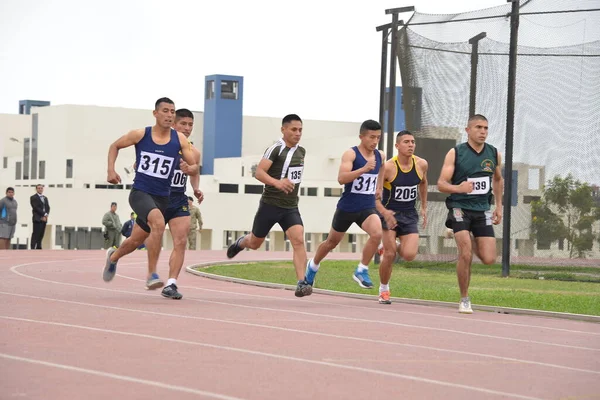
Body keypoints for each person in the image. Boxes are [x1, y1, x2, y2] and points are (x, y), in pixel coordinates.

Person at [103, 97, 196, 290]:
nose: (169, 115)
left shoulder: (179, 140)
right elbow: (115, 146)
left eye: (172, 111)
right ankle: (152, 274)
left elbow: (195, 165)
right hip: (141, 193)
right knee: (159, 223)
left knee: (135, 240)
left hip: (164, 197)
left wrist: (190, 167)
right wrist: (111, 170)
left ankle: (113, 257)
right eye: (165, 111)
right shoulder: (140, 134)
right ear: (155, 113)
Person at [226, 114, 312, 298]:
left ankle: (301, 282)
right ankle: (242, 242)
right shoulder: (275, 149)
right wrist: (277, 183)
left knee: (298, 240)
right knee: (255, 243)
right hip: (270, 205)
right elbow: (259, 173)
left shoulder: (301, 151)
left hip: (290, 206)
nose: (298, 133)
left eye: (300, 130)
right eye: (294, 129)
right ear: (283, 129)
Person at [305, 120, 385, 290]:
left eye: (377, 137)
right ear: (361, 137)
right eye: (371, 137)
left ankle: (361, 269)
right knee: (331, 242)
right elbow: (342, 178)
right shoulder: (351, 154)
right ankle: (313, 265)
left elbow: (382, 167)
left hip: (367, 207)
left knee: (377, 233)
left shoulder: (380, 155)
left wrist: (379, 186)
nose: (375, 141)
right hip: (347, 207)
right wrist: (363, 169)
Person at [438, 114, 504, 314]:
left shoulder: (494, 153)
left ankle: (462, 234)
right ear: (468, 130)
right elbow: (441, 183)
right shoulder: (455, 153)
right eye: (478, 127)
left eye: (485, 128)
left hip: (482, 209)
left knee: (489, 258)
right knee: (465, 253)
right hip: (460, 207)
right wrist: (460, 188)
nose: (483, 131)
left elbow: (498, 180)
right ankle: (464, 298)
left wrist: (499, 206)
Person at [375, 130, 428, 304]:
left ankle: (393, 245)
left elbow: (423, 183)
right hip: (390, 214)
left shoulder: (421, 164)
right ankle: (384, 289)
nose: (411, 145)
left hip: (409, 214)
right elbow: (376, 193)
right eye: (406, 142)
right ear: (397, 146)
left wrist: (424, 208)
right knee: (389, 255)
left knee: (409, 254)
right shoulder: (389, 167)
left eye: (413, 141)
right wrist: (382, 211)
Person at [160, 108, 202, 300]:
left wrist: (196, 188)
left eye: (190, 124)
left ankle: (171, 283)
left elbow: (195, 171)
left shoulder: (193, 152)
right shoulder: (160, 143)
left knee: (180, 241)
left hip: (178, 198)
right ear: (173, 124)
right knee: (135, 240)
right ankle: (115, 256)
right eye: (183, 124)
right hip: (156, 198)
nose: (187, 128)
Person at [30, 184, 50, 249]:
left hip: (44, 219)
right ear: (36, 189)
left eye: (41, 188)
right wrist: (44, 214)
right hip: (37, 218)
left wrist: (46, 215)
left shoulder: (45, 198)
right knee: (35, 234)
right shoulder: (33, 197)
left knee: (41, 234)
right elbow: (36, 208)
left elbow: (48, 207)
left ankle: (39, 247)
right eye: (39, 188)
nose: (40, 189)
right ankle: (33, 247)